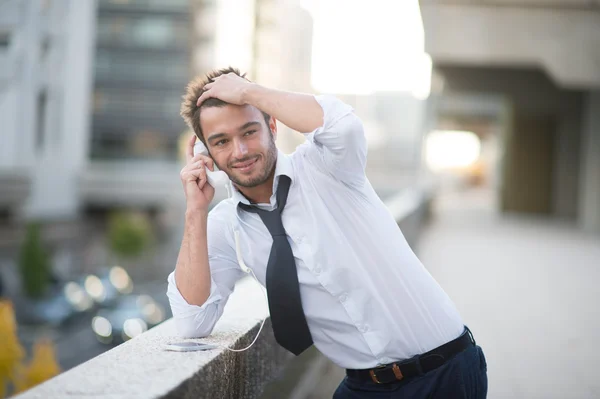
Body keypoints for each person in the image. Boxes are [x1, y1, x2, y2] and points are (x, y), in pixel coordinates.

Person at [167, 67, 488, 398]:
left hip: (442, 373)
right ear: (205, 153)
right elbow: (193, 321)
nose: (240, 151)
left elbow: (342, 124)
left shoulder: (328, 166)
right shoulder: (225, 225)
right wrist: (195, 209)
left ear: (272, 125)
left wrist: (249, 92)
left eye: (249, 132)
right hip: (363, 387)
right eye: (221, 142)